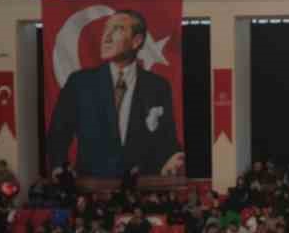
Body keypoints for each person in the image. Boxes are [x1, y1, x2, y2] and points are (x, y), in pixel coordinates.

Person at [45, 9, 185, 178]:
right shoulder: (80, 83)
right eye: (106, 29)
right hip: (90, 185)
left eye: (117, 29)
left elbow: (166, 137)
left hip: (141, 187)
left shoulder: (158, 87)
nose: (106, 37)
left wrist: (174, 157)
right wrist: (59, 168)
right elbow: (59, 132)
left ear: (136, 41)